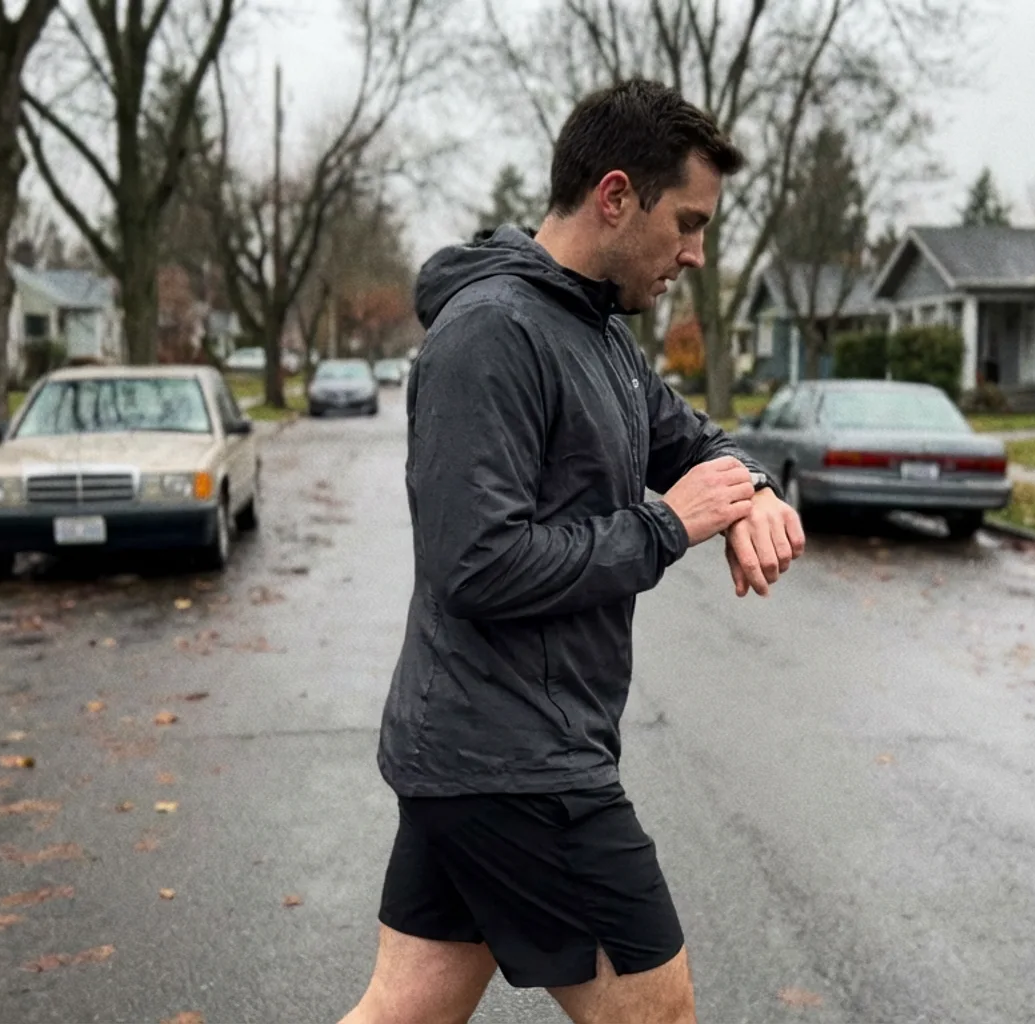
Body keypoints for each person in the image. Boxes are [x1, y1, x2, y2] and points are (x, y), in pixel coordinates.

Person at [342, 79, 806, 1024]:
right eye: (687, 222)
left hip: (480, 755)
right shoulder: (492, 334)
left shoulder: (598, 335)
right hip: (516, 762)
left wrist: (751, 487)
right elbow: (477, 564)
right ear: (616, 195)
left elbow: (694, 439)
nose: (695, 253)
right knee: (657, 1012)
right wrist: (667, 527)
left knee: (405, 1011)